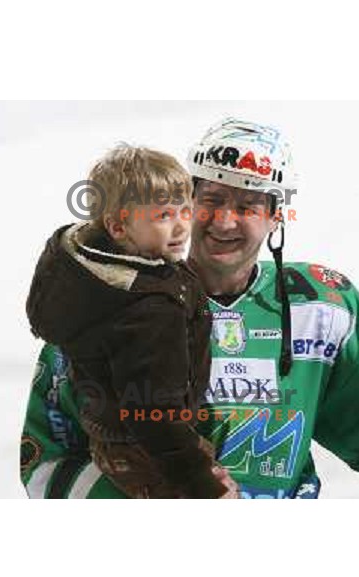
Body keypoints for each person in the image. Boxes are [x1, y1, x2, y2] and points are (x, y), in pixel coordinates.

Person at [20, 118, 359, 499]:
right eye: (210, 199)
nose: (224, 221)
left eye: (248, 205)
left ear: (277, 217)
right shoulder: (112, 299)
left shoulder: (320, 306)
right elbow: (47, 456)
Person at [24, 144, 235, 498]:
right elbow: (156, 417)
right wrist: (203, 486)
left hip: (109, 430)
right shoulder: (148, 309)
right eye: (164, 215)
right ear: (119, 227)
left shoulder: (85, 269)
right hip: (144, 448)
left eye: (186, 210)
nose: (182, 226)